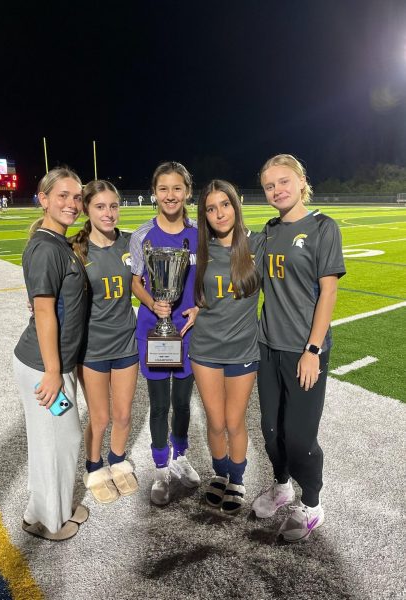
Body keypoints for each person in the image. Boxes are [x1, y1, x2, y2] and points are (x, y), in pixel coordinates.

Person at [252, 154, 345, 542]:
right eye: (270, 185)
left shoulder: (323, 227)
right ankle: (282, 485)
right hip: (267, 346)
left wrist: (313, 348)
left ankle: (312, 505)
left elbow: (328, 291)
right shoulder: (268, 231)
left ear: (301, 180)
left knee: (301, 437)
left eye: (284, 181)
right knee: (271, 431)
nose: (277, 190)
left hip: (304, 350)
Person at [13, 167, 89, 541]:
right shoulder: (45, 248)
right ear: (43, 199)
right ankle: (50, 521)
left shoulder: (58, 243)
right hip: (44, 366)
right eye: (63, 195)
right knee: (57, 440)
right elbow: (43, 313)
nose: (72, 204)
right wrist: (54, 371)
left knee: (57, 438)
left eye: (77, 197)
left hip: (52, 363)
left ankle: (41, 510)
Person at [189, 180, 263, 514]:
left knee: (235, 421)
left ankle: (237, 478)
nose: (219, 213)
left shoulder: (257, 244)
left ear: (236, 205)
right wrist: (195, 307)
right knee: (215, 420)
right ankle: (220, 475)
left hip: (243, 349)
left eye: (225, 204)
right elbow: (199, 293)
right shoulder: (201, 250)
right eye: (211, 207)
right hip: (205, 348)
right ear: (204, 214)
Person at [130, 161, 200, 505]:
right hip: (154, 332)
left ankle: (181, 456)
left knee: (183, 403)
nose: (170, 195)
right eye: (163, 189)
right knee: (158, 406)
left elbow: (207, 280)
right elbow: (135, 282)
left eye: (177, 188)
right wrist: (153, 302)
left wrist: (199, 307)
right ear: (154, 192)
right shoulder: (142, 235)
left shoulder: (200, 233)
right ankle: (160, 469)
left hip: (187, 333)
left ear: (187, 191)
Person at [70, 180, 139, 503]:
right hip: (92, 347)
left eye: (113, 206)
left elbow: (143, 283)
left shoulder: (130, 243)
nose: (108, 213)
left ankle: (117, 459)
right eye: (100, 206)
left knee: (123, 414)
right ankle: (93, 465)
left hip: (126, 341)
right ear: (86, 209)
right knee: (100, 417)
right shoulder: (75, 250)